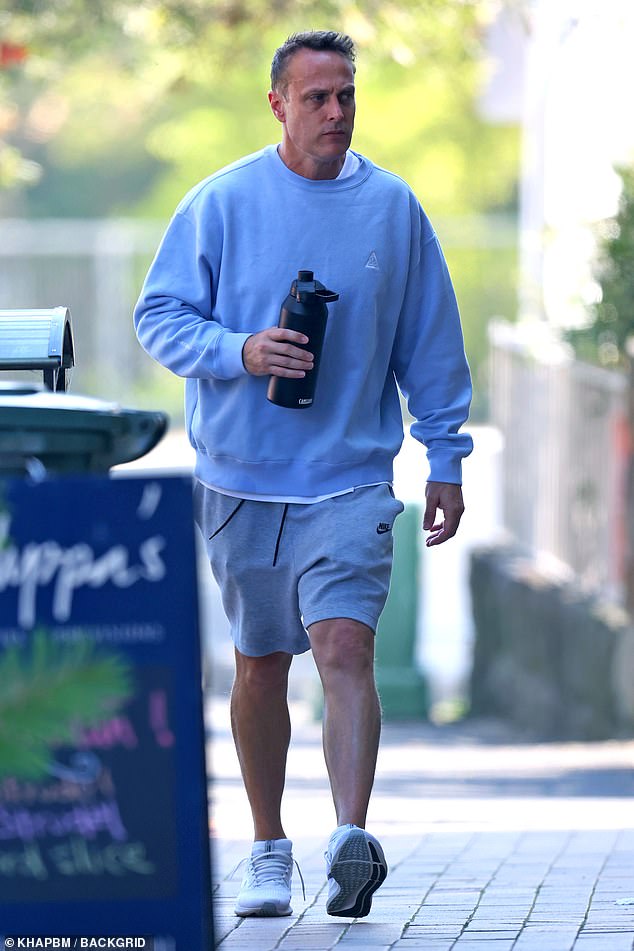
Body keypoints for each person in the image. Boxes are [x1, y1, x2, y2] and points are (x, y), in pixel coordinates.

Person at [134, 29, 473, 920]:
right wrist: (239, 349)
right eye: (317, 96)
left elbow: (430, 344)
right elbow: (158, 316)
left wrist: (444, 456)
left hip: (352, 477)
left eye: (347, 95)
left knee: (344, 646)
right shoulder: (222, 202)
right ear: (278, 103)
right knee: (260, 665)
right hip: (242, 477)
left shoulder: (393, 210)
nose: (336, 111)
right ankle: (267, 847)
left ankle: (350, 838)